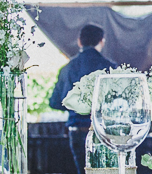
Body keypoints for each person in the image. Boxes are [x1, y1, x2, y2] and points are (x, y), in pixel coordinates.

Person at [49, 24, 117, 165]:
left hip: (77, 130)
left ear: (80, 41)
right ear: (102, 42)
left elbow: (54, 102)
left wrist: (77, 107)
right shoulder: (110, 68)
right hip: (103, 131)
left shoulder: (67, 69)